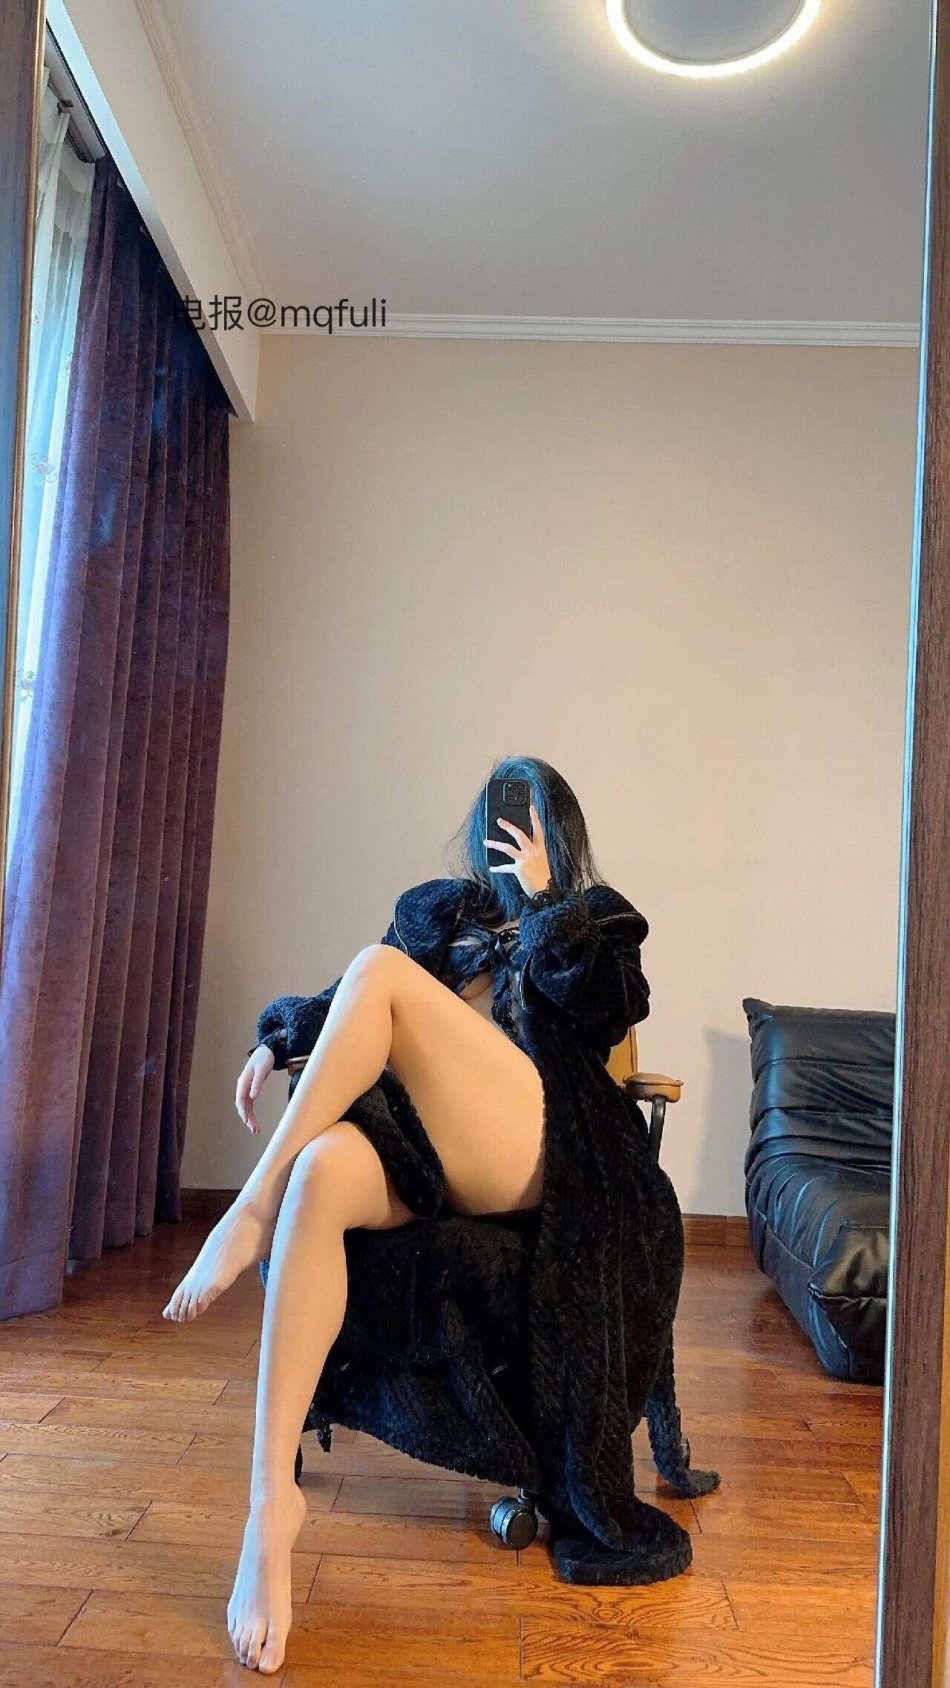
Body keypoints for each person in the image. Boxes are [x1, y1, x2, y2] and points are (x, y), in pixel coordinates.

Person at [161, 756, 691, 1675]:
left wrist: (545, 900)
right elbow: (344, 1005)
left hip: (548, 1154)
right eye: (500, 814)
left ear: (560, 829)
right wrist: (276, 1040)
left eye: (531, 814)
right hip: (438, 1152)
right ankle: (268, 1507)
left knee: (380, 975)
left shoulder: (595, 920)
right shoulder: (442, 917)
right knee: (322, 1169)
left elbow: (607, 1010)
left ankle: (248, 1207)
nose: (510, 828)